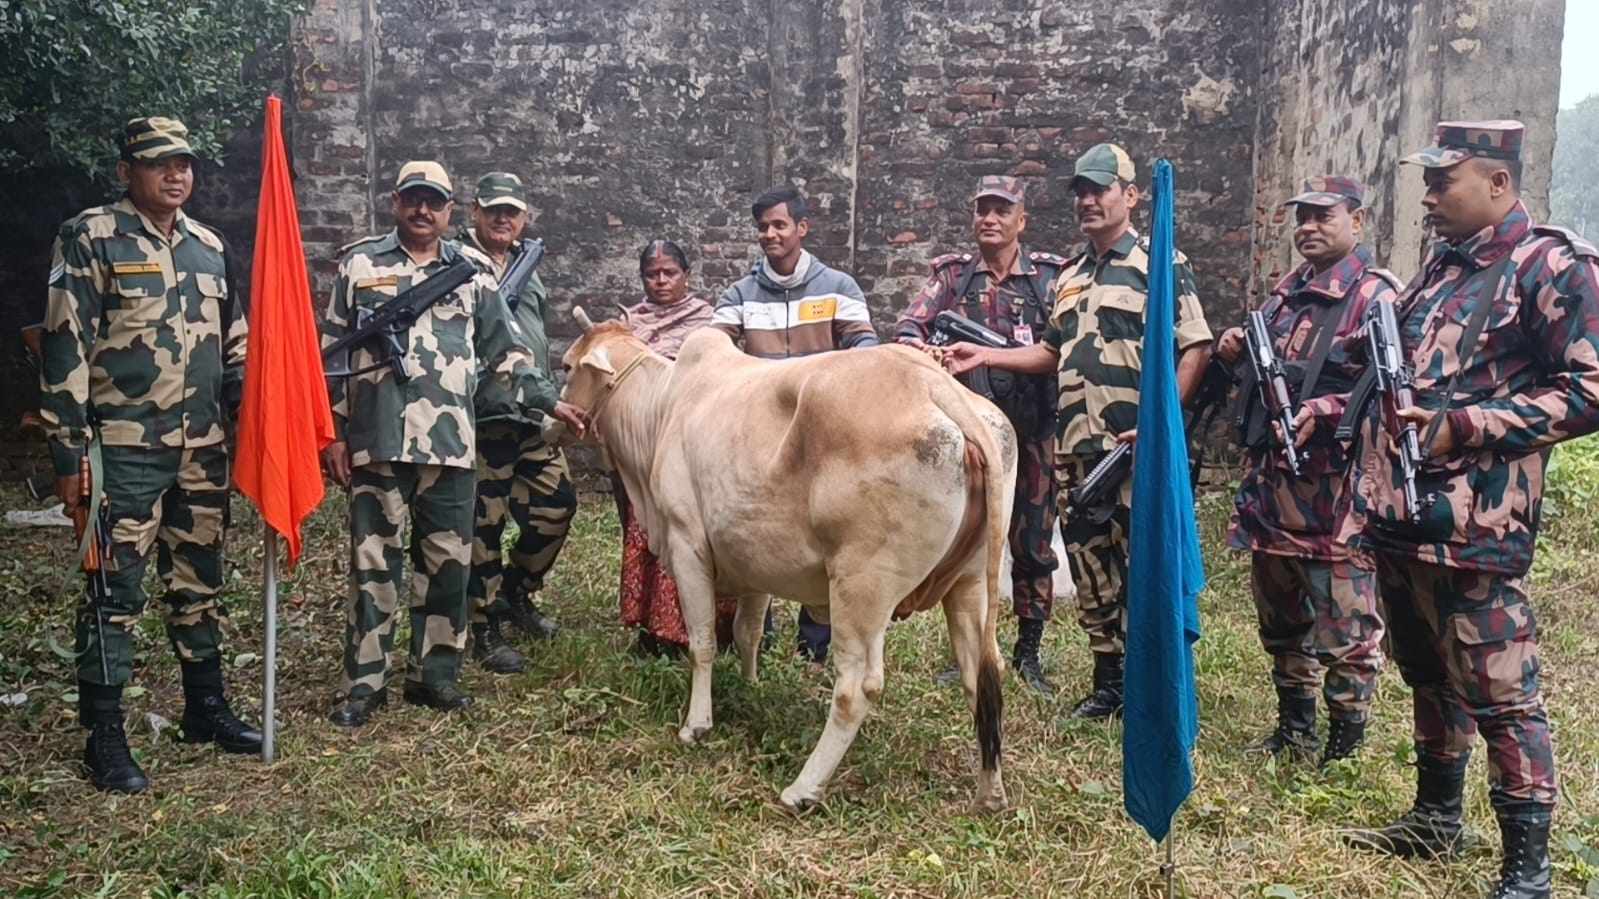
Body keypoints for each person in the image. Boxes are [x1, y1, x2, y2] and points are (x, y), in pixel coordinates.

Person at [1332, 120, 1599, 899]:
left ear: (1497, 182)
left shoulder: (1550, 266)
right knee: (1427, 671)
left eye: (1443, 180)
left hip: (1477, 524)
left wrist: (1467, 424)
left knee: (1503, 690)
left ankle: (1527, 870)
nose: (1428, 194)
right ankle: (1435, 816)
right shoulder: (1441, 270)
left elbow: (1588, 388)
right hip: (1404, 515)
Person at [944, 144, 1213, 719]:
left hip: (1136, 450)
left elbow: (1195, 346)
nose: (1089, 201)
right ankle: (1110, 683)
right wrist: (984, 356)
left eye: (1101, 189)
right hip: (1077, 450)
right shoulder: (1069, 275)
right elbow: (1049, 351)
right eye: (1081, 193)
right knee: (1092, 570)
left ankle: (1158, 688)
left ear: (1131, 195)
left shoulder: (1161, 263)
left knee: (1145, 566)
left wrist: (1159, 425)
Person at [320, 161, 585, 727]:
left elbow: (507, 353)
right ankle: (363, 685)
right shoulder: (360, 263)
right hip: (379, 440)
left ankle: (434, 677)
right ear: (396, 202)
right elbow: (332, 353)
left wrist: (548, 400)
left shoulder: (471, 272)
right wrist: (332, 433)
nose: (422, 210)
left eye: (433, 202)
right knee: (374, 566)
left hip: (451, 445)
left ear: (447, 210)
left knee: (446, 565)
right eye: (413, 199)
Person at [39, 116, 259, 792]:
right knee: (114, 590)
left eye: (185, 163)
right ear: (126, 171)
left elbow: (235, 342)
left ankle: (205, 706)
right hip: (125, 450)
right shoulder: (92, 236)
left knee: (198, 581)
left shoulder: (208, 245)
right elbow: (63, 344)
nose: (176, 175)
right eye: (160, 163)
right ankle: (103, 732)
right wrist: (68, 449)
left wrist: (251, 408)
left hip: (202, 449)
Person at [1214, 176, 1395, 765]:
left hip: (1334, 495)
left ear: (1358, 223)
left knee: (1345, 626)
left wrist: (1326, 408)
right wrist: (1234, 348)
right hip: (1273, 490)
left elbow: (1393, 388)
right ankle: (1295, 726)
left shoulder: (1376, 298)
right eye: (1303, 218)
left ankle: (1345, 742)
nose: (1309, 228)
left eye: (1324, 217)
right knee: (1281, 617)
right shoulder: (1284, 295)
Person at [893, 175, 1071, 694]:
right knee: (968, 542)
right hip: (969, 438)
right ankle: (966, 648)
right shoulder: (952, 279)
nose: (989, 219)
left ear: (1022, 220)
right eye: (982, 210)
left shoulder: (1049, 280)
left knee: (1033, 542)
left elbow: (1062, 347)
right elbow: (909, 327)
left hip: (1034, 431)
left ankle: (1028, 653)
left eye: (1001, 210)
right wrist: (927, 354)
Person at [710, 185, 879, 663]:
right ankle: (757, 634)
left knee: (817, 527)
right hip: (759, 436)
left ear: (802, 229)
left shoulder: (839, 287)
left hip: (821, 434)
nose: (770, 234)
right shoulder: (739, 294)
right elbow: (715, 349)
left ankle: (815, 645)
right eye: (763, 226)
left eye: (780, 224)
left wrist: (827, 382)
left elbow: (864, 346)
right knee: (766, 524)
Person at [459, 172, 574, 674]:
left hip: (531, 412)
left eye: (512, 211)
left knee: (558, 505)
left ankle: (515, 594)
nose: (503, 218)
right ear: (474, 213)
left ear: (525, 217)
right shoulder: (456, 264)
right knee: (484, 524)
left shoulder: (530, 264)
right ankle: (481, 625)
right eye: (493, 210)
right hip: (482, 414)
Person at [615, 240, 737, 655]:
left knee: (694, 534)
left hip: (693, 445)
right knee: (652, 535)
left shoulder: (708, 325)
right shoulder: (627, 325)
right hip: (643, 447)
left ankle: (708, 631)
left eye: (670, 272)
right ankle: (654, 632)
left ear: (686, 275)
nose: (661, 280)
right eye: (652, 274)